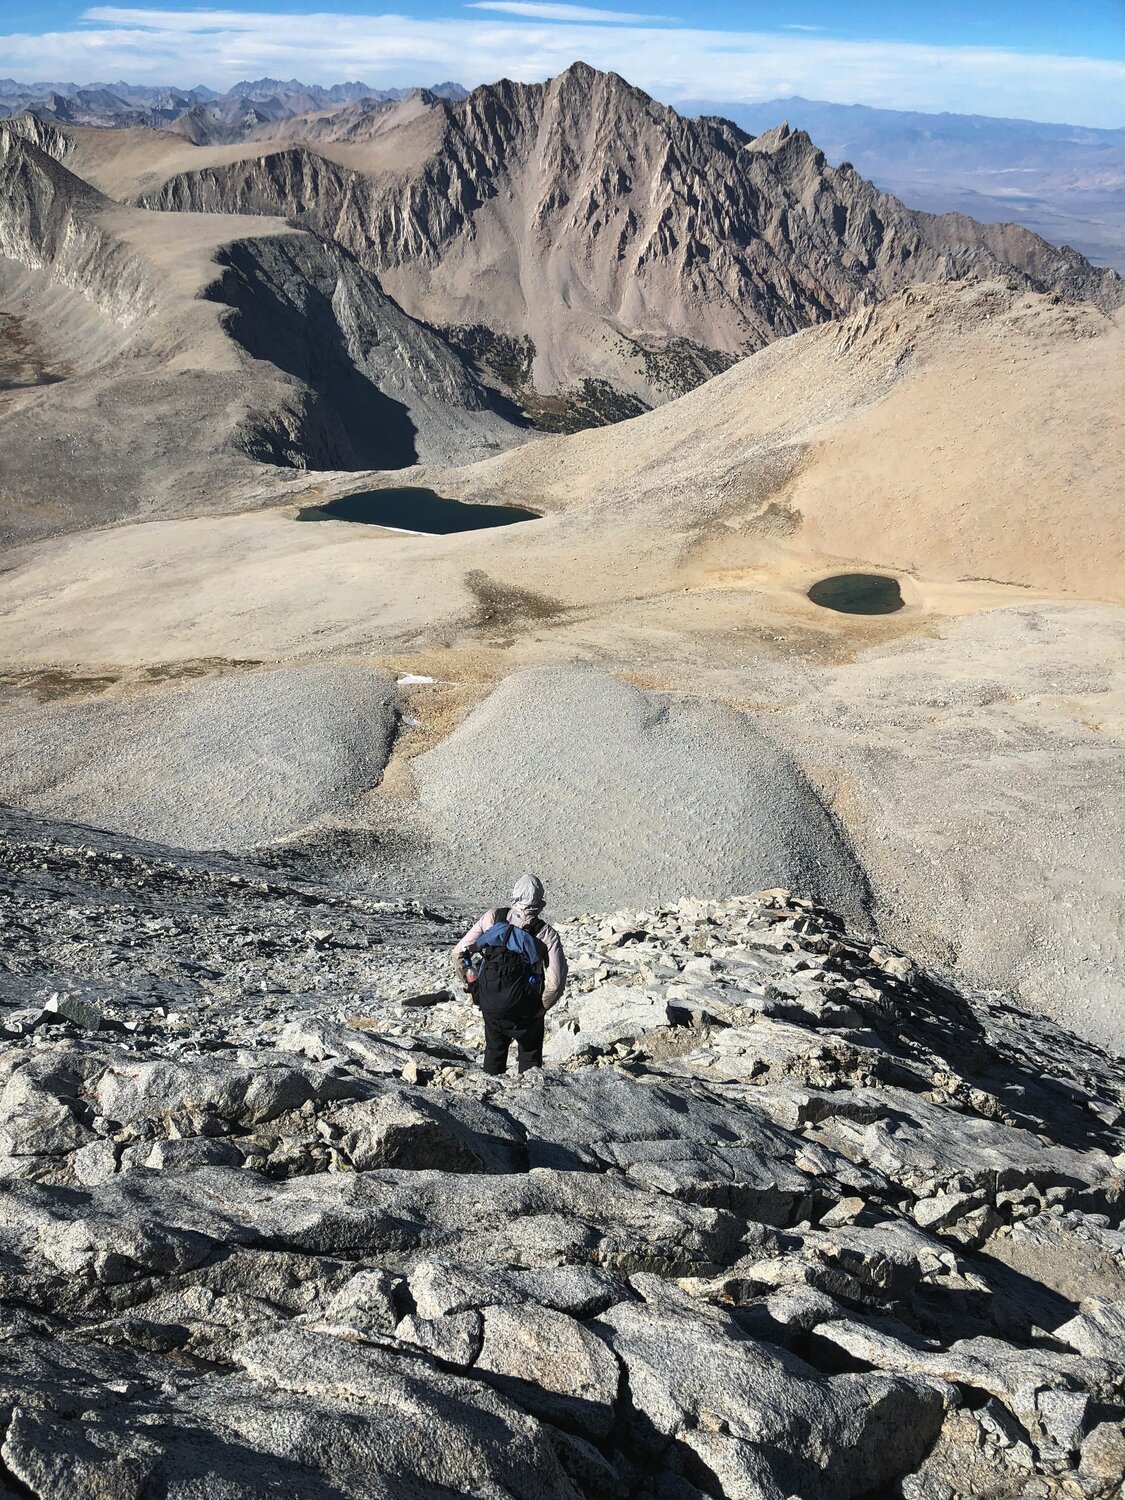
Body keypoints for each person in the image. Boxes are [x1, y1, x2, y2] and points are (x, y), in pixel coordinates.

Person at [453, 874, 568, 1075]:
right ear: (540, 899)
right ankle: (530, 1089)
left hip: (490, 1001)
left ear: (514, 894)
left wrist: (474, 988)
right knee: (530, 1054)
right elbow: (555, 984)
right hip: (526, 1007)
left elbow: (458, 953)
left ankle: (489, 1090)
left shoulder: (493, 917)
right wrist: (541, 1008)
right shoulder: (546, 934)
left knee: (494, 1051)